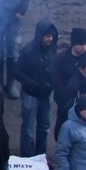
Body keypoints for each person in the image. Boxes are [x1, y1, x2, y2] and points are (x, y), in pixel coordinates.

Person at [14, 20, 57, 157]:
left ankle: (41, 155)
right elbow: (17, 72)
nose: (50, 39)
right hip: (30, 94)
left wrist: (51, 84)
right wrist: (34, 84)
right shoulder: (28, 51)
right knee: (28, 128)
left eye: (51, 36)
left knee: (44, 126)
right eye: (47, 36)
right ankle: (27, 156)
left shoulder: (52, 48)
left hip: (46, 94)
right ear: (40, 35)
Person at [53, 27, 86, 139]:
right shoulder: (61, 58)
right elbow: (57, 80)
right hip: (64, 99)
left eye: (85, 44)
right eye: (80, 44)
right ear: (73, 43)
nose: (83, 48)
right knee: (62, 126)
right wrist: (64, 97)